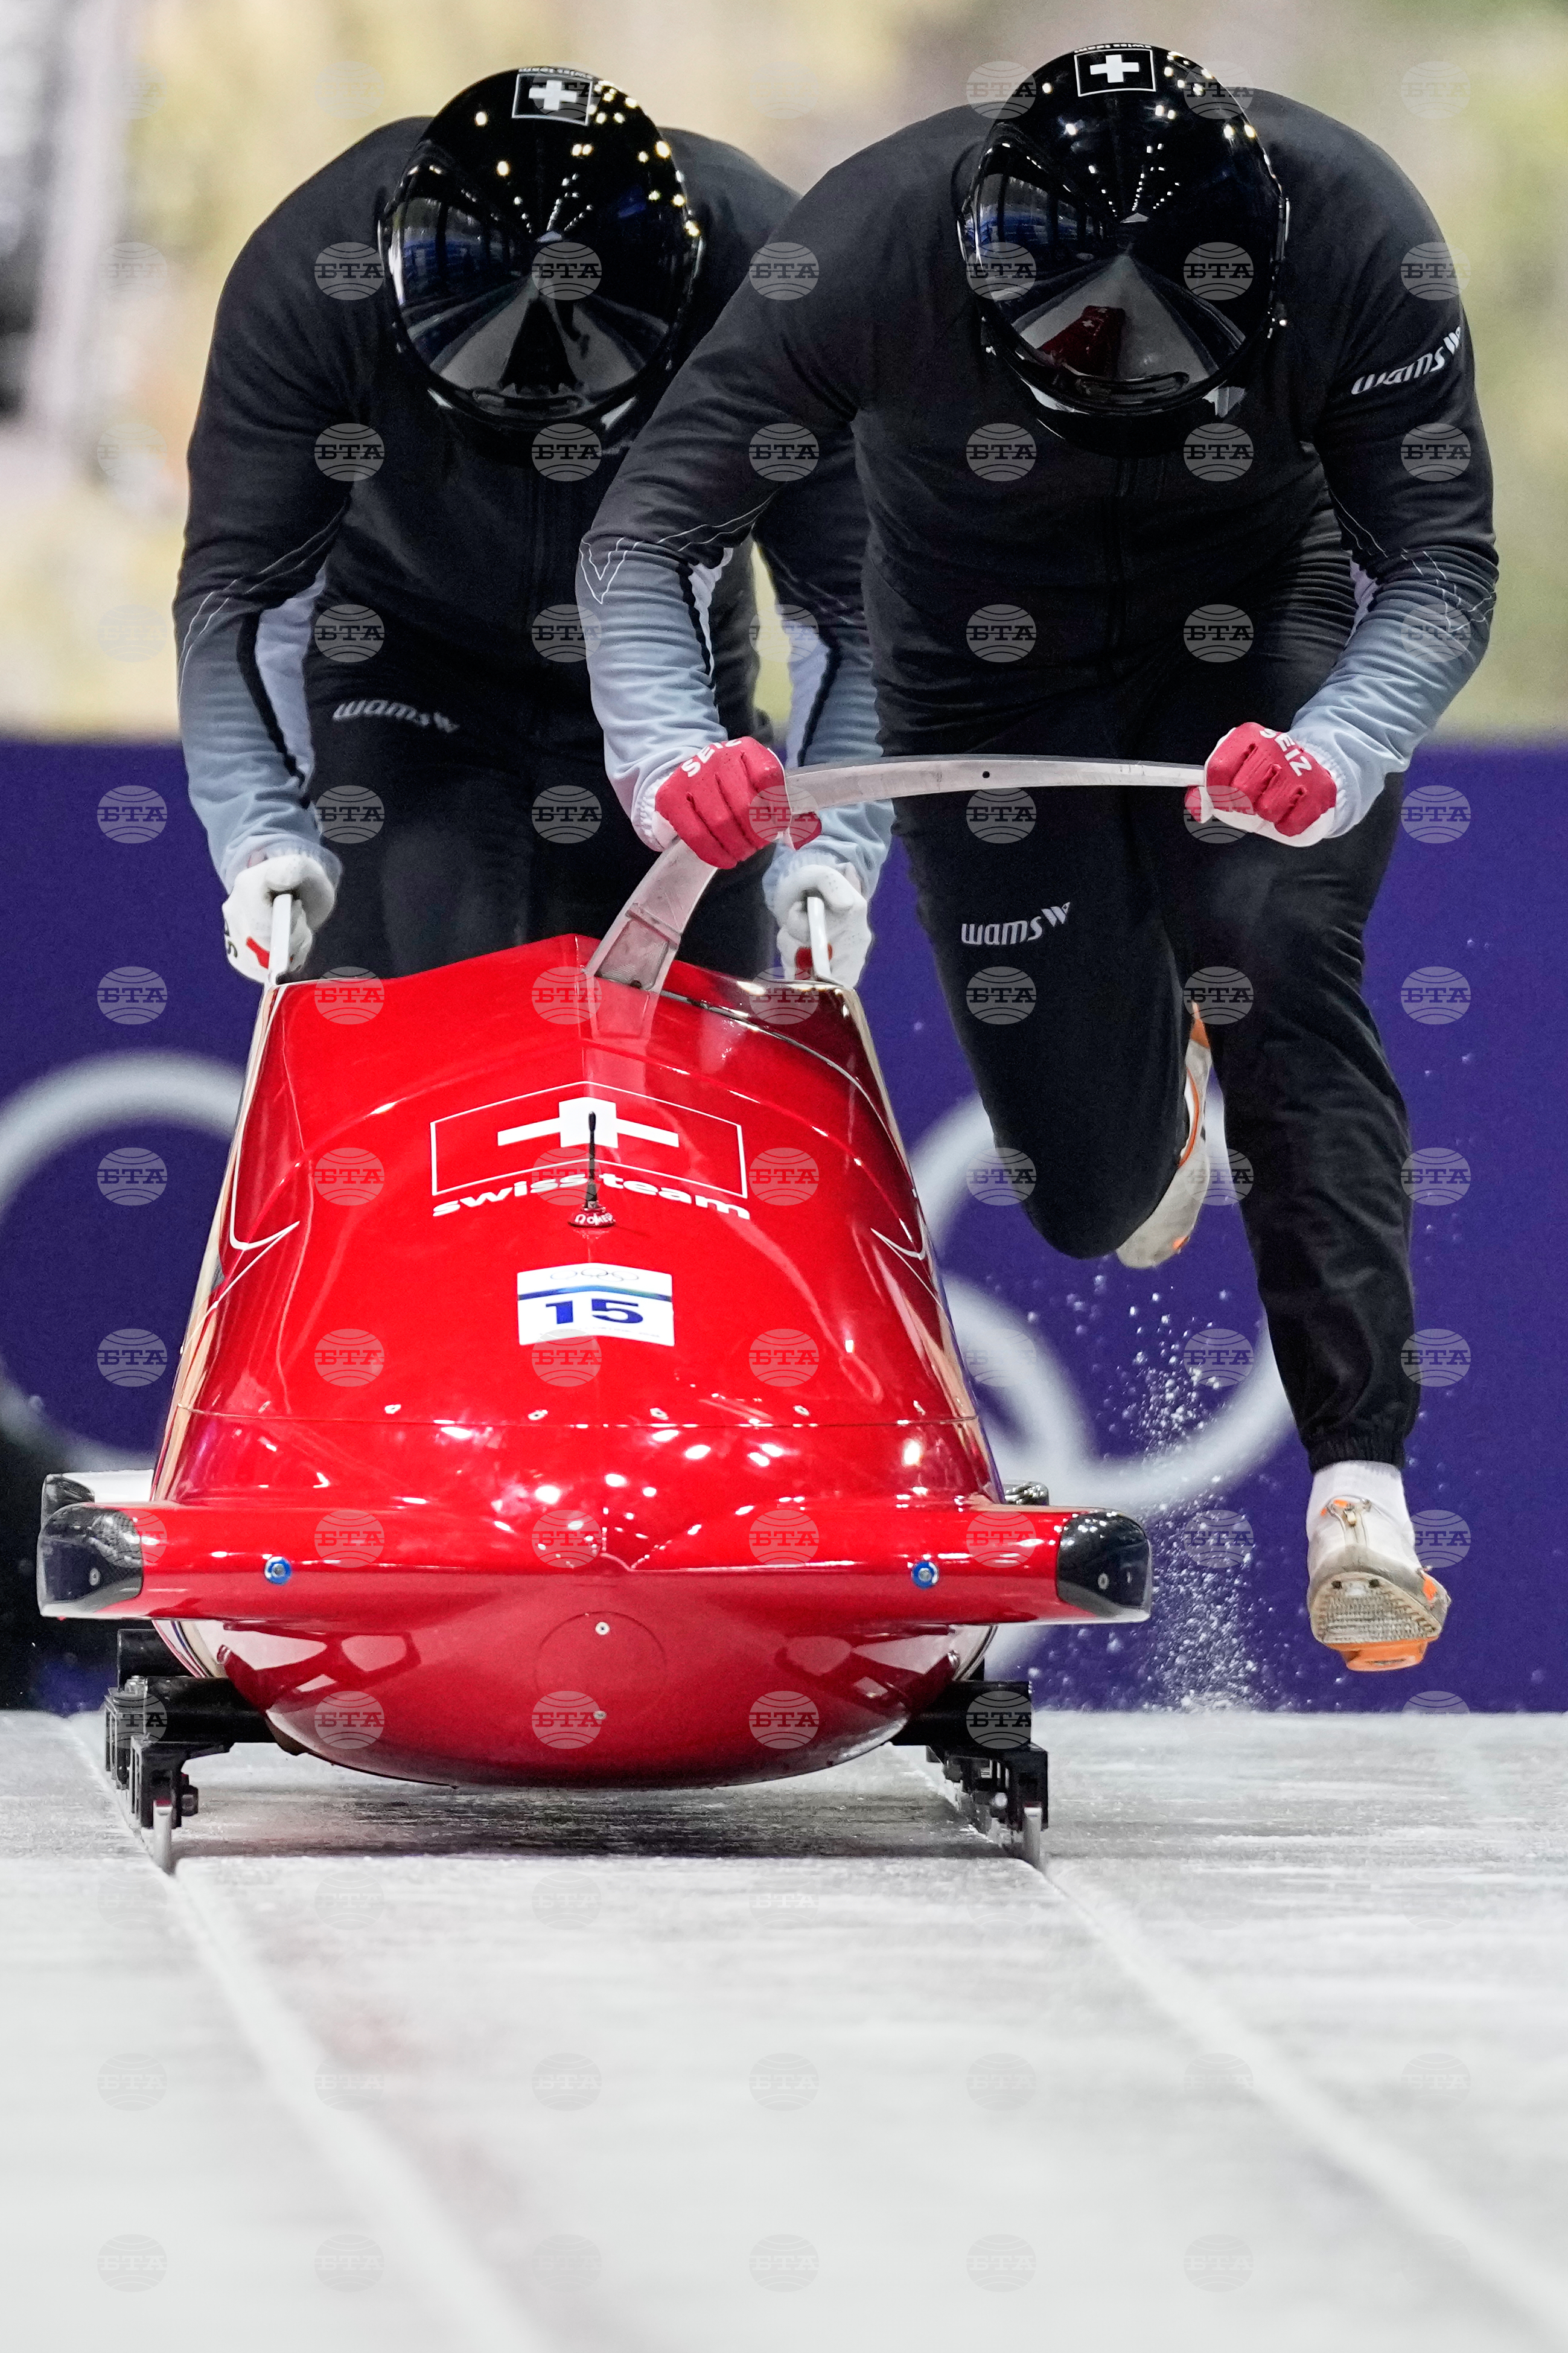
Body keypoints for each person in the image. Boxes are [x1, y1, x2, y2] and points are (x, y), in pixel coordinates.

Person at [578, 43, 1497, 1673]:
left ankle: (1357, 1480)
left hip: (1256, 634)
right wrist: (669, 755)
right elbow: (647, 536)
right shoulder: (863, 249)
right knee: (1087, 1199)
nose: (1120, 371)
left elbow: (1436, 565)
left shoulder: (1360, 234)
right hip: (981, 665)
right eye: (1077, 341)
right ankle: (1153, 1095)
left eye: (1167, 349)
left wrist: (1335, 748)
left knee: (1273, 948)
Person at [174, 65, 866, 985]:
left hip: (670, 687)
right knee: (419, 991)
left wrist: (831, 852)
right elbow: (239, 593)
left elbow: (853, 610)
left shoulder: (777, 285)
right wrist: (262, 834)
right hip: (406, 664)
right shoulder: (313, 275)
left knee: (685, 1027)